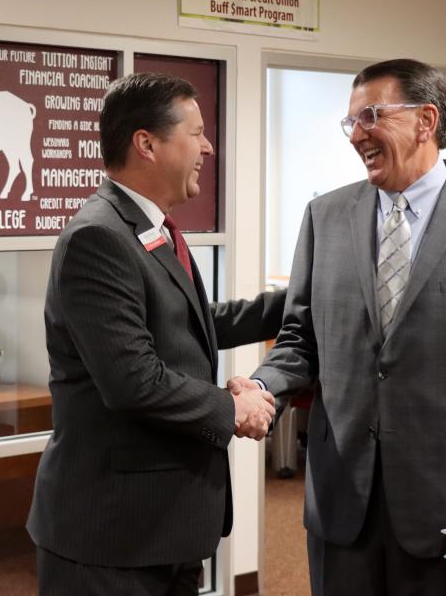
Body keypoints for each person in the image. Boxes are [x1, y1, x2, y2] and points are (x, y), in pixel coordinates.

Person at [246, 59, 446, 595]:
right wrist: (262, 385)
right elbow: (299, 339)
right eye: (350, 123)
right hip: (342, 502)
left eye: (370, 115)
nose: (357, 134)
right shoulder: (325, 216)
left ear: (426, 120)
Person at [27, 72, 285, 595]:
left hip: (166, 529)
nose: (207, 148)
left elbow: (188, 321)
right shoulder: (98, 237)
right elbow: (132, 379)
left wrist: (296, 302)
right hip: (110, 537)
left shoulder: (148, 228)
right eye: (195, 133)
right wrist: (231, 408)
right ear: (146, 143)